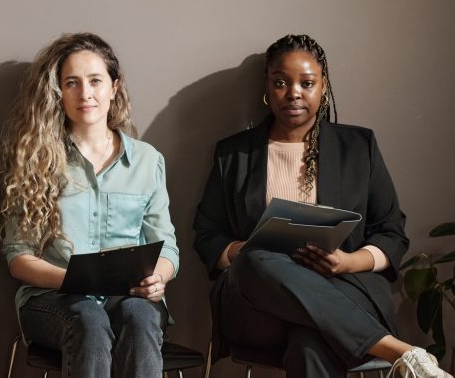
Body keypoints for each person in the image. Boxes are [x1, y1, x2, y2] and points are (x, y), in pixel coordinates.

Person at [193, 34, 451, 378]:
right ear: (267, 87)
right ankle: (400, 352)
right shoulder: (233, 153)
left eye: (307, 82)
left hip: (345, 290)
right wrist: (241, 251)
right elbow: (208, 235)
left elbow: (391, 233)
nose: (293, 93)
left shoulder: (359, 147)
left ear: (323, 86)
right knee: (253, 260)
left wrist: (347, 262)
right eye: (281, 82)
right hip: (256, 307)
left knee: (310, 337)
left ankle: (396, 353)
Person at [0, 32, 179, 377]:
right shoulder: (34, 159)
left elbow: (167, 245)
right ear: (58, 93)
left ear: (114, 86)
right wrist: (73, 280)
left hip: (130, 298)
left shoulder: (147, 160)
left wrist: (159, 277)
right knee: (89, 318)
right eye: (72, 83)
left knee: (140, 316)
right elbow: (18, 258)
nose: (86, 93)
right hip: (53, 300)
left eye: (95, 80)